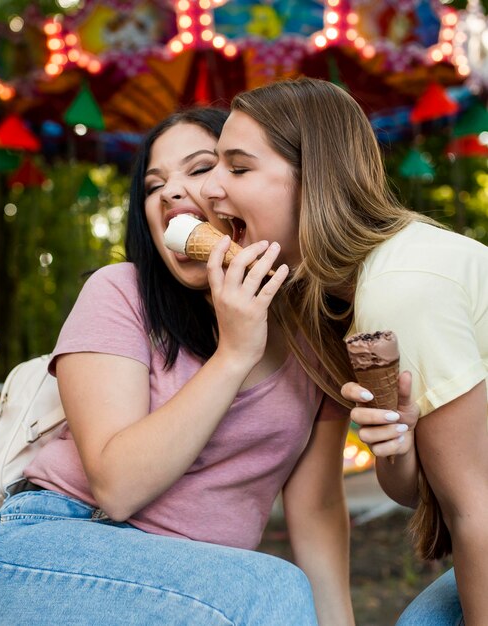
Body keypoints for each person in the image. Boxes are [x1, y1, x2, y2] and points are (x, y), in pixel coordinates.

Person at [0, 106, 354, 626]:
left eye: (201, 169)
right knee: (268, 587)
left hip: (198, 585)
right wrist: (233, 355)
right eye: (154, 185)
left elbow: (316, 511)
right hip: (57, 542)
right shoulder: (120, 292)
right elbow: (117, 488)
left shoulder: (318, 336)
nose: (170, 194)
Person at [200, 77, 488, 625]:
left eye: (237, 168)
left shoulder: (400, 286)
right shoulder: (339, 300)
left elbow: (476, 510)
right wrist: (396, 448)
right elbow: (415, 492)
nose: (209, 188)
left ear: (316, 181)